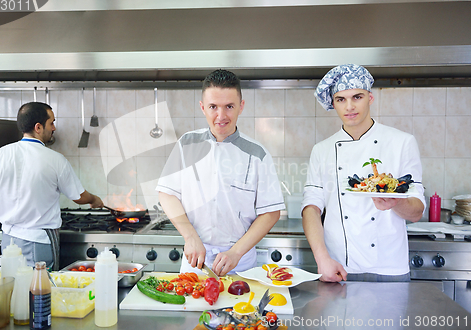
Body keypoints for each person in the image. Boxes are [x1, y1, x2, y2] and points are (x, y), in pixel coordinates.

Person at [302, 64, 425, 282]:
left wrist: (395, 202)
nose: (349, 106)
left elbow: (416, 212)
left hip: (389, 267)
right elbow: (311, 207)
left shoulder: (402, 142)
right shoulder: (321, 150)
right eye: (341, 99)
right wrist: (322, 259)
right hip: (338, 266)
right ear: (333, 103)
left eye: (357, 97)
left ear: (370, 97)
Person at [156, 69, 285, 276]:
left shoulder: (258, 154)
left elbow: (270, 212)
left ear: (241, 106)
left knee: (242, 309)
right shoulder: (187, 144)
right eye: (213, 107)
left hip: (240, 264)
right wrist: (190, 236)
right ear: (202, 107)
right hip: (195, 261)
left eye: (229, 107)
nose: (221, 116)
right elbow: (167, 193)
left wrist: (235, 252)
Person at [0, 102, 103, 270]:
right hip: (40, 242)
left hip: (9, 241)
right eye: (52, 122)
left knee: (15, 292)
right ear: (38, 127)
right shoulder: (55, 160)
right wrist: (94, 199)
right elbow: (79, 197)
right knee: (41, 292)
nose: (54, 128)